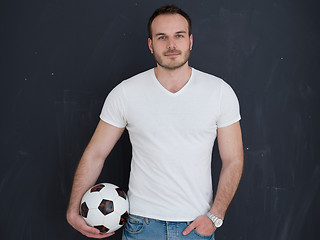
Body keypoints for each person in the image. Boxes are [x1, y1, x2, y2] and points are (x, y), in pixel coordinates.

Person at [66, 4, 243, 240]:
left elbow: (233, 159)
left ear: (190, 41)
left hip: (195, 227)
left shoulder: (219, 92)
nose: (171, 45)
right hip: (141, 226)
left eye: (178, 36)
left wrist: (215, 216)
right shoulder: (126, 93)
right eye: (162, 37)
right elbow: (95, 153)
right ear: (151, 45)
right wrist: (72, 209)